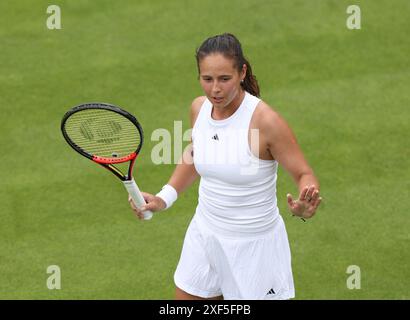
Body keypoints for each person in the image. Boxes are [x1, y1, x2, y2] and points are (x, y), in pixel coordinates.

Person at [129, 33, 322, 300]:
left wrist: (305, 203)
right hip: (205, 235)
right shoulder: (199, 109)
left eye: (224, 79)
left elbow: (304, 173)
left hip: (254, 249)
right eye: (207, 79)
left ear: (241, 72)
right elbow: (198, 155)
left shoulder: (265, 122)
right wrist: (163, 198)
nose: (215, 89)